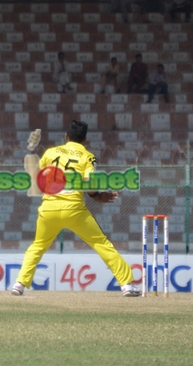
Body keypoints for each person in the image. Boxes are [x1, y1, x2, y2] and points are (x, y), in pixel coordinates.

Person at [11, 120, 141, 297]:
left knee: (38, 246)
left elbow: (38, 177)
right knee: (101, 244)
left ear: (66, 136)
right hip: (74, 209)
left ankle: (19, 284)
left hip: (49, 209)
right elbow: (89, 183)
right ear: (85, 140)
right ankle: (126, 285)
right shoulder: (88, 157)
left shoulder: (50, 152)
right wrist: (97, 196)